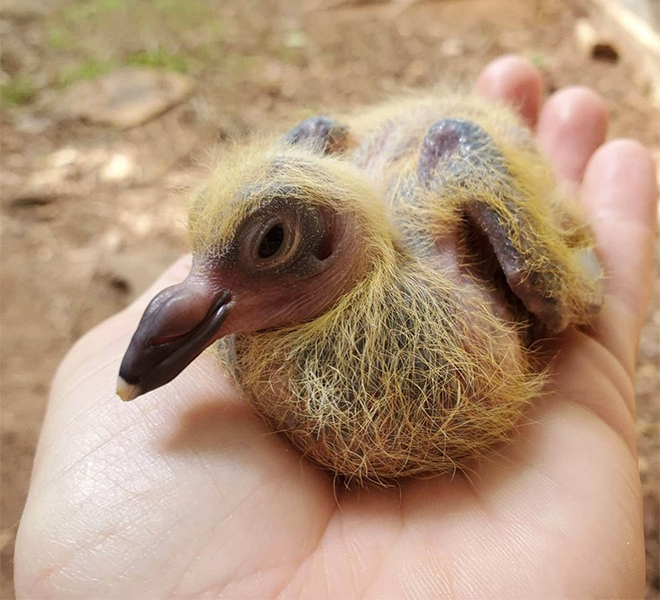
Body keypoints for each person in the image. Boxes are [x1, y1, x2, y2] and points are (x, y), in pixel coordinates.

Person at [14, 56, 656, 598]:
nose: (182, 308)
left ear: (330, 241)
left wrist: (559, 285)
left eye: (272, 244)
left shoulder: (448, 224)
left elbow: (570, 285)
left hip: (449, 158)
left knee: (557, 291)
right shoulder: (248, 332)